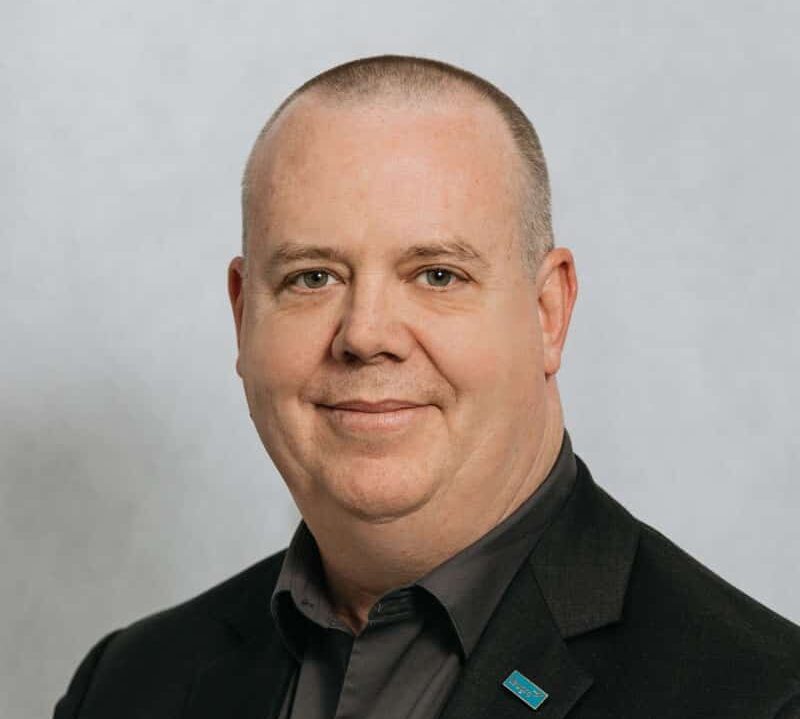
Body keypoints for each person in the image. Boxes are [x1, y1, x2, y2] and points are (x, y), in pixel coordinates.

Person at [54, 54, 800, 719]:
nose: (365, 334)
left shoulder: (760, 697)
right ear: (243, 315)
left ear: (548, 313)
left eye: (437, 275)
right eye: (313, 278)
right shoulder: (125, 685)